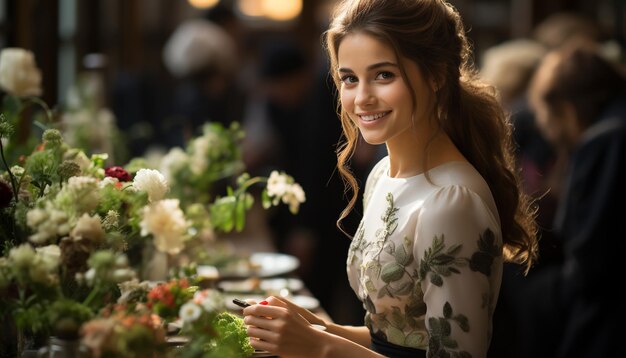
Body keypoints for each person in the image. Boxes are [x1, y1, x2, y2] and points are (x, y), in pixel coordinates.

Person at [242, 0, 538, 357]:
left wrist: (321, 346)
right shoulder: (382, 174)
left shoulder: (452, 202)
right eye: (349, 78)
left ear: (436, 74)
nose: (362, 98)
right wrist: (319, 328)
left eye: (384, 75)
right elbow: (398, 338)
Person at [520, 40, 626, 358]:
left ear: (566, 110)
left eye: (546, 118)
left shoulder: (604, 142)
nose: (549, 132)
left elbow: (590, 260)